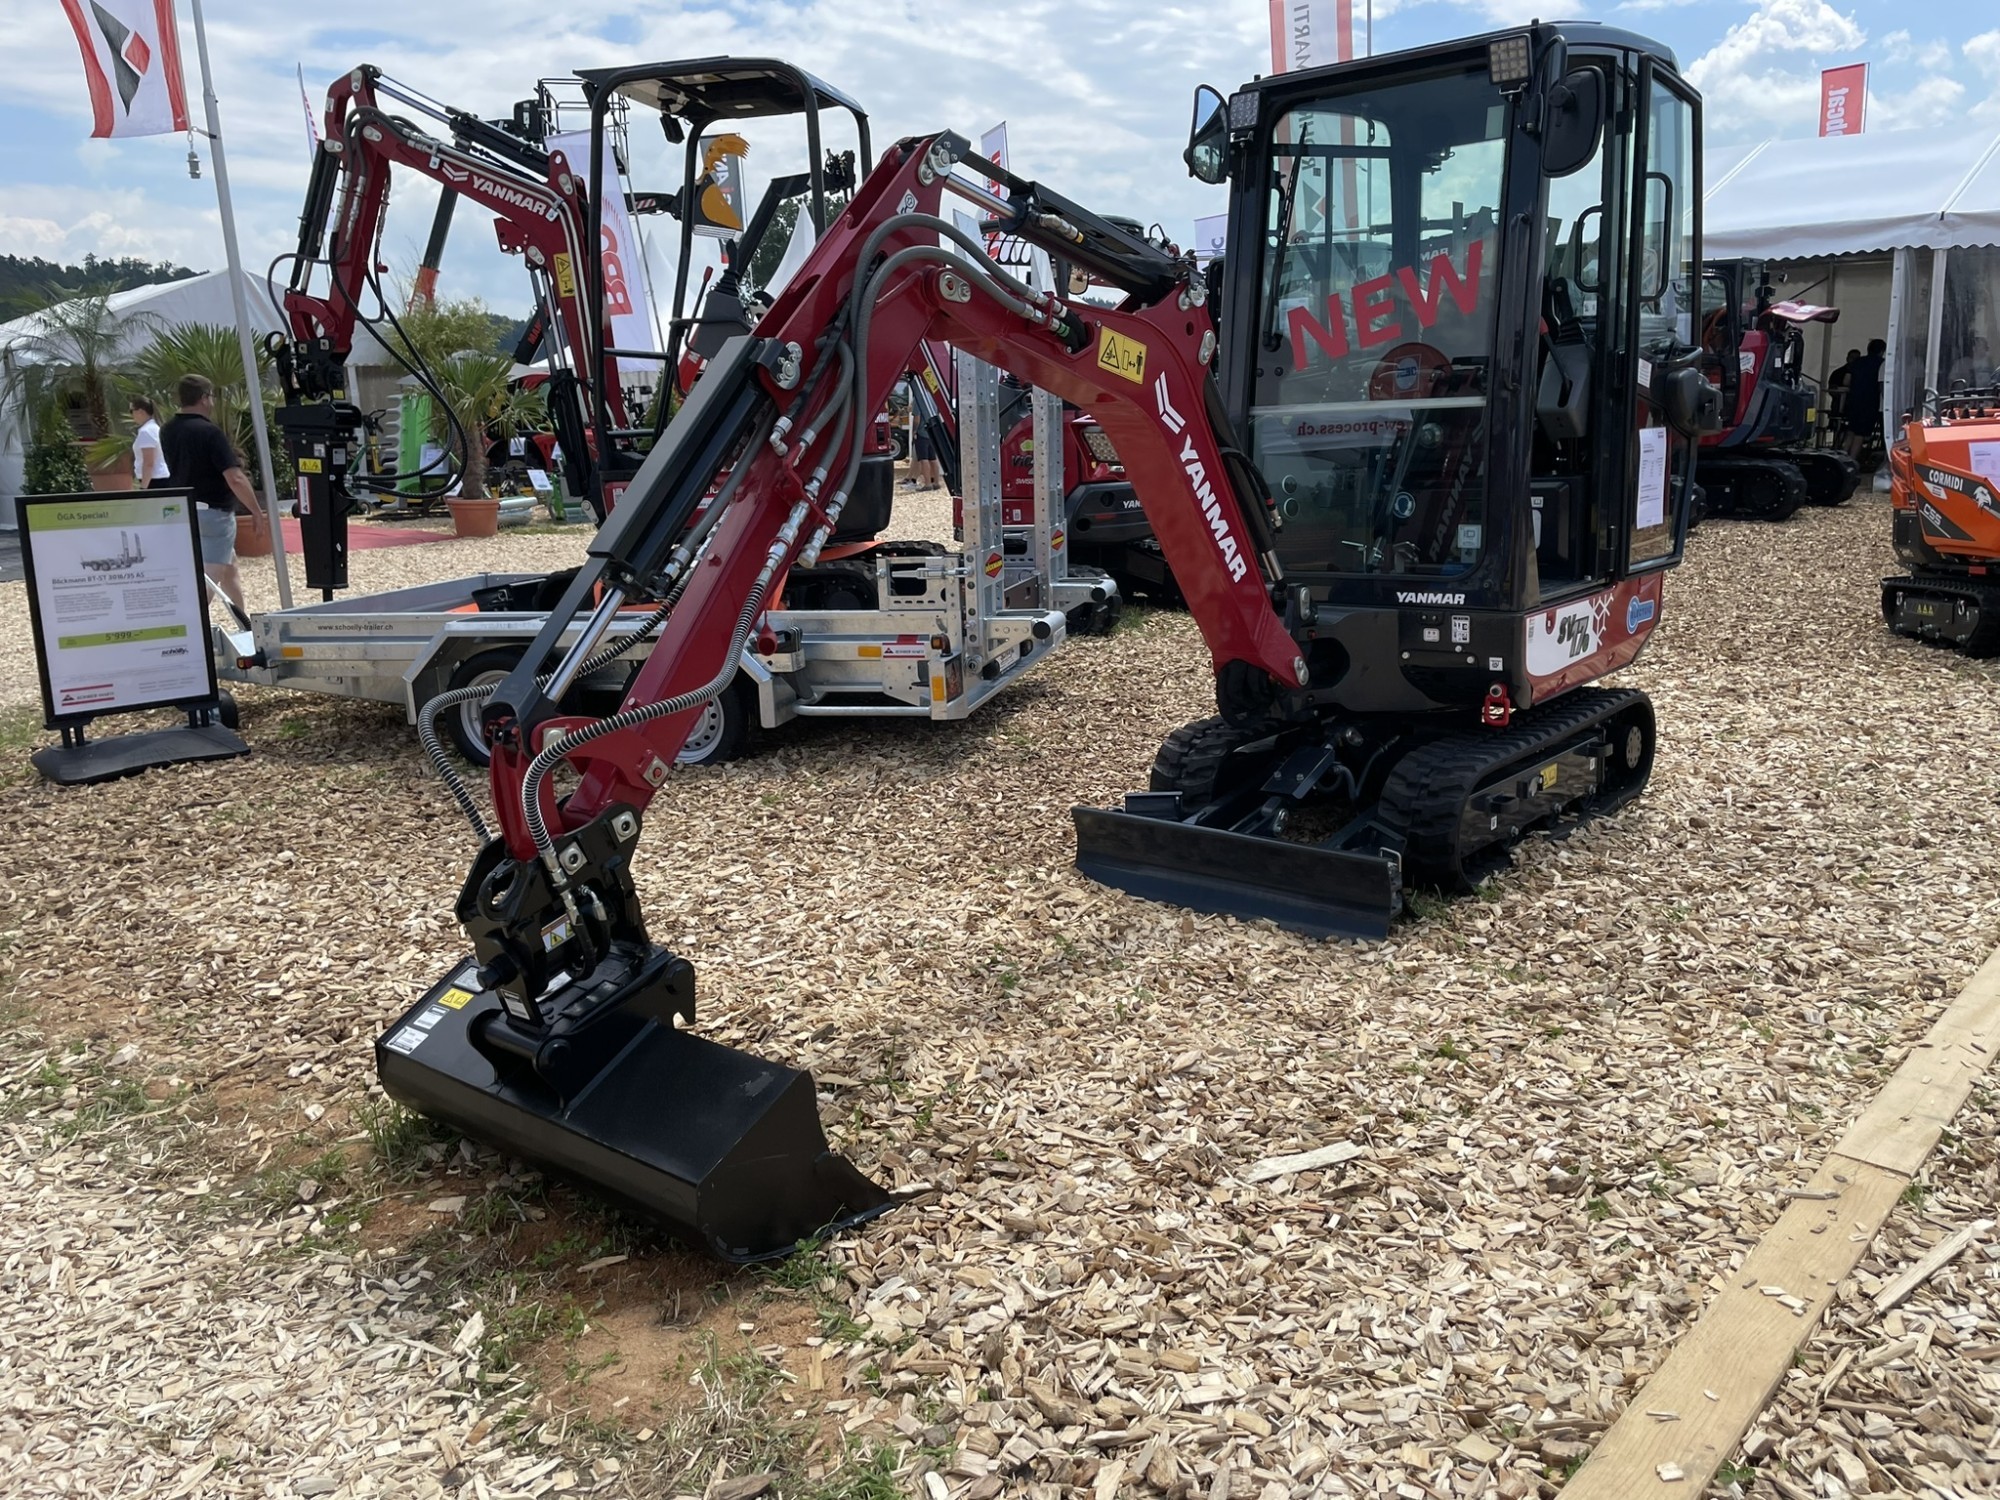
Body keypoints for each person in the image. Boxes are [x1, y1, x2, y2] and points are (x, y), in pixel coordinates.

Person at [161, 373, 268, 611]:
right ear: (204, 398)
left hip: (185, 511)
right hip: (214, 513)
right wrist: (255, 511)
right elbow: (235, 477)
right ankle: (188, 628)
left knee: (229, 570)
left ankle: (247, 628)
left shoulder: (167, 430)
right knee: (210, 579)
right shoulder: (210, 433)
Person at [1842, 338, 1886, 460]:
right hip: (1870, 402)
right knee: (1860, 434)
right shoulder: (1882, 364)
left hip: (1853, 400)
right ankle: (1851, 461)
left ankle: (1841, 458)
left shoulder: (1857, 362)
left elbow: (1846, 381)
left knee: (1851, 431)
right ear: (1882, 351)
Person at [130, 396, 168, 489]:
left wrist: (144, 488)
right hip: (159, 478)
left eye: (131, 411)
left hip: (154, 480)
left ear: (140, 411)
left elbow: (148, 462)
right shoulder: (154, 428)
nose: (131, 415)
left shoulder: (146, 431)